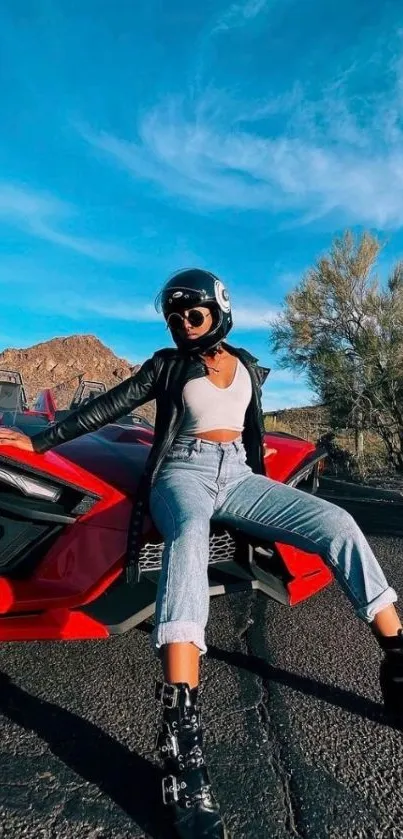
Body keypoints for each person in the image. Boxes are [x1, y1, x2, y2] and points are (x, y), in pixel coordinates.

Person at [0, 268, 402, 839]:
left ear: (219, 309)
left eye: (193, 314)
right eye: (174, 318)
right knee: (187, 542)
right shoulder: (166, 366)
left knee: (338, 523)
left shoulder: (243, 365)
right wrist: (39, 440)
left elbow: (253, 434)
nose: (183, 325)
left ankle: (397, 658)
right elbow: (108, 408)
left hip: (238, 475)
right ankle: (180, 732)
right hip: (181, 476)